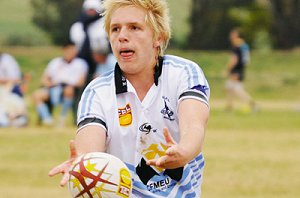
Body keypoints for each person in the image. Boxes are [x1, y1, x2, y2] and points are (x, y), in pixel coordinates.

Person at [49, 0, 210, 197]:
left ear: (157, 37)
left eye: (134, 27)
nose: (122, 36)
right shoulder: (97, 92)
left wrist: (184, 151)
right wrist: (83, 164)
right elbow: (91, 151)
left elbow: (195, 126)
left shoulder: (184, 73)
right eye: (115, 29)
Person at [32, 41, 88, 126]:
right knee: (37, 95)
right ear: (64, 50)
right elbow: (44, 78)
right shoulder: (55, 62)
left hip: (70, 88)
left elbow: (81, 82)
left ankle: (62, 118)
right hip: (53, 87)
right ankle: (47, 119)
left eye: (73, 49)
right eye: (69, 49)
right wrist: (48, 84)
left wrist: (70, 85)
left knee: (68, 91)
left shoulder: (80, 63)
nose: (71, 52)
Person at [225, 28, 256, 112]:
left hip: (236, 70)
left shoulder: (236, 46)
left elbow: (234, 60)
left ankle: (251, 103)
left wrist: (228, 70)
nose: (231, 36)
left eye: (232, 35)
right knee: (230, 87)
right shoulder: (244, 45)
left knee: (237, 89)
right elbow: (246, 60)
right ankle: (229, 106)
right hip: (241, 69)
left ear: (237, 36)